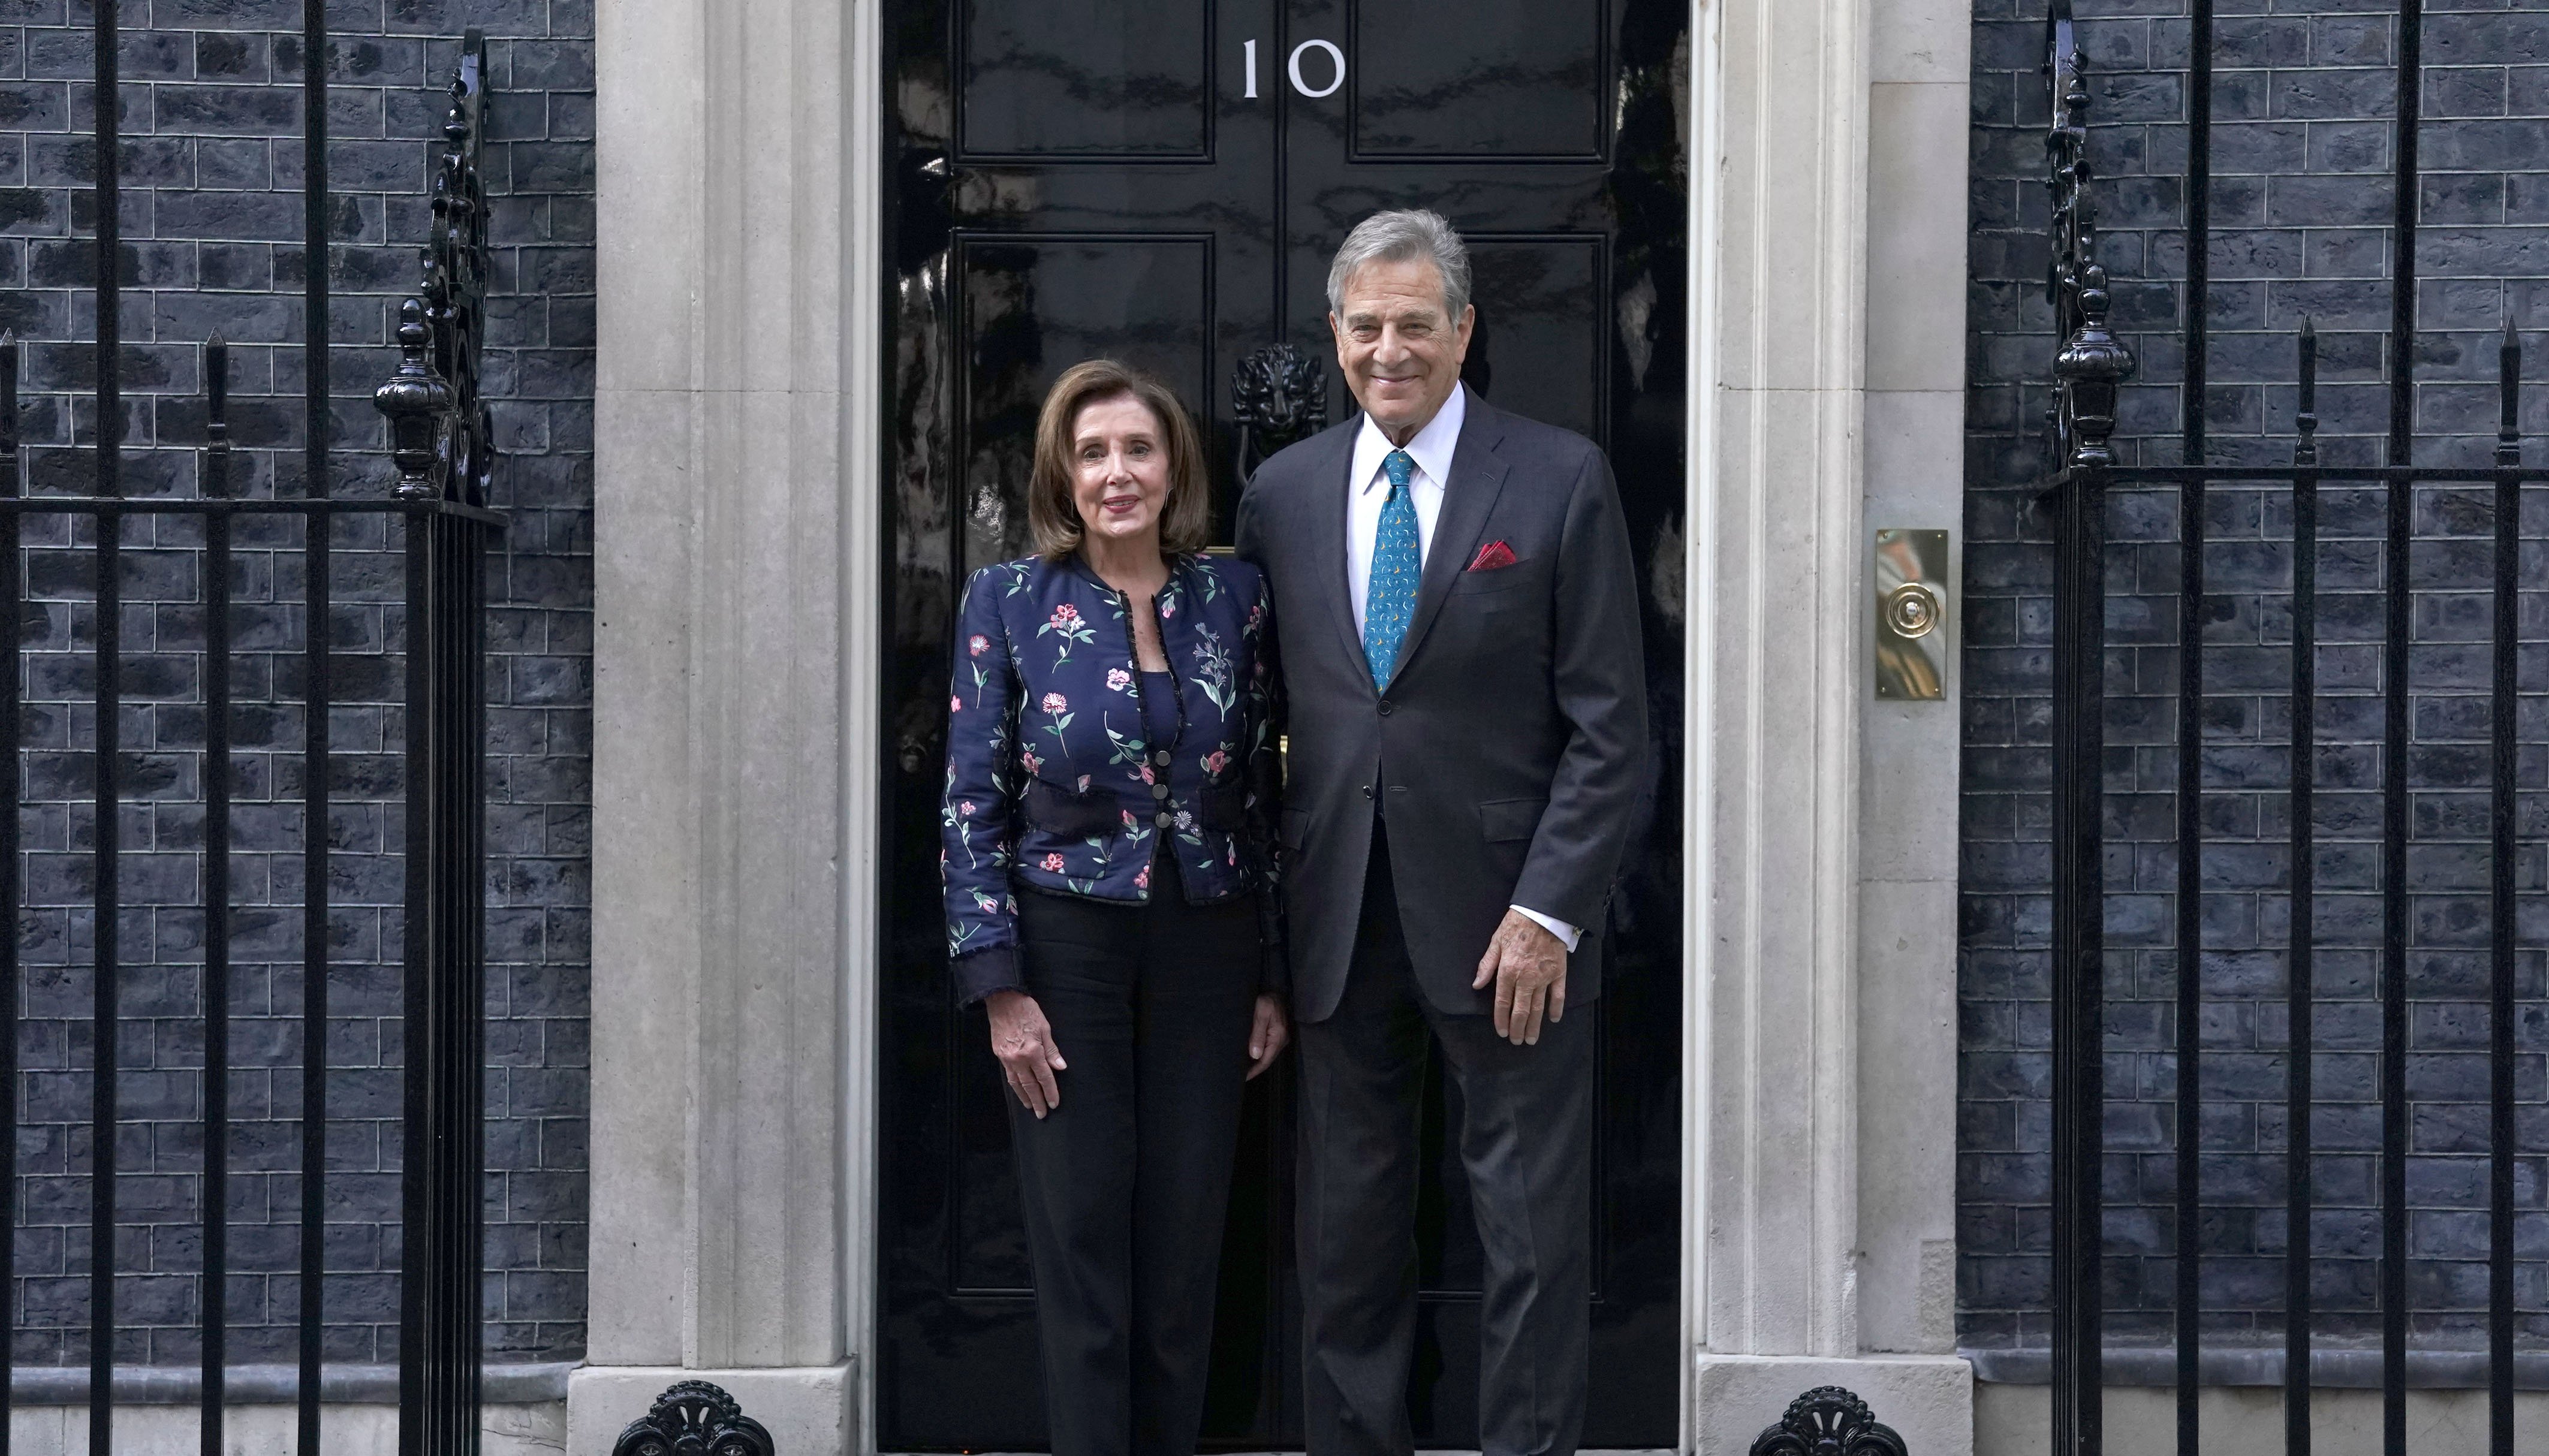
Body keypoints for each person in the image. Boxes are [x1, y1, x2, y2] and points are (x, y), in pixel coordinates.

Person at [1235, 210, 1647, 1456]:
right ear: (1334, 335)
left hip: (1505, 929)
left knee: (1526, 1239)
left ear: (1463, 331)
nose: (1389, 348)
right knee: (1345, 1241)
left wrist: (1547, 912)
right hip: (1336, 920)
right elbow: (1261, 731)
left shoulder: (1558, 475)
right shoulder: (1282, 493)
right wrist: (1261, 940)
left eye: (1416, 323)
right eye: (1366, 325)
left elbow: (1610, 730)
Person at [941, 358, 1292, 1456]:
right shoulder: (1009, 601)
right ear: (1064, 472)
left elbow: (1271, 795)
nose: (1117, 473)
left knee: (1186, 1241)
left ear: (1173, 463)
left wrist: (1271, 970)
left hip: (1209, 944)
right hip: (1065, 950)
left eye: (1137, 448)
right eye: (1093, 453)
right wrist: (999, 990)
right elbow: (968, 802)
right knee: (1083, 1233)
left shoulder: (1235, 599)